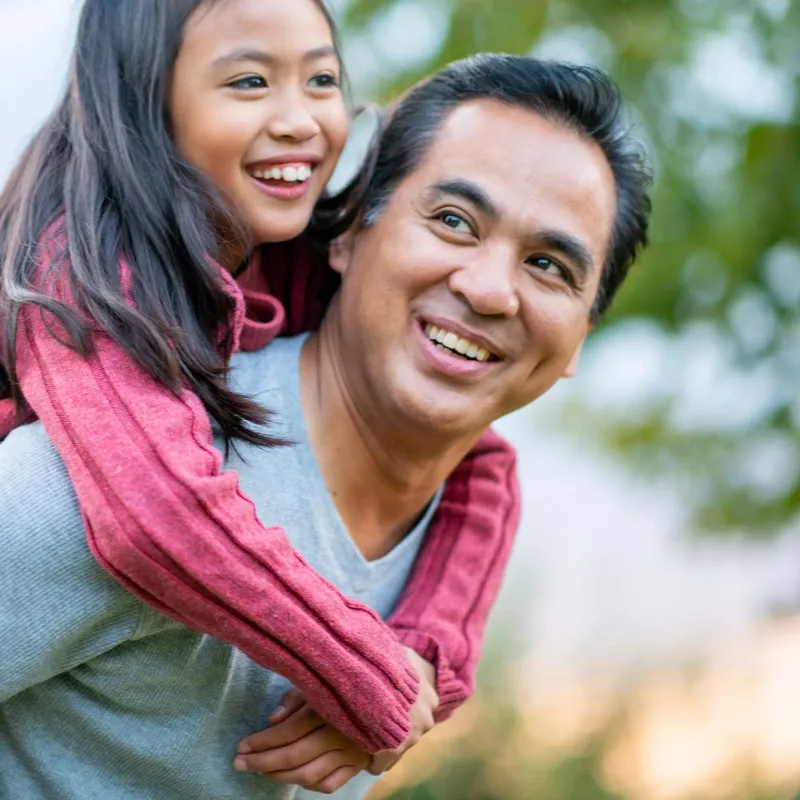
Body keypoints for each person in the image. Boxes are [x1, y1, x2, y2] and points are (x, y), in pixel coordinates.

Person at [0, 54, 652, 799]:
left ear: (581, 339)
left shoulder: (446, 545)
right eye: (452, 221)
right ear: (346, 233)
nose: (489, 289)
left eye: (548, 265)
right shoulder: (116, 469)